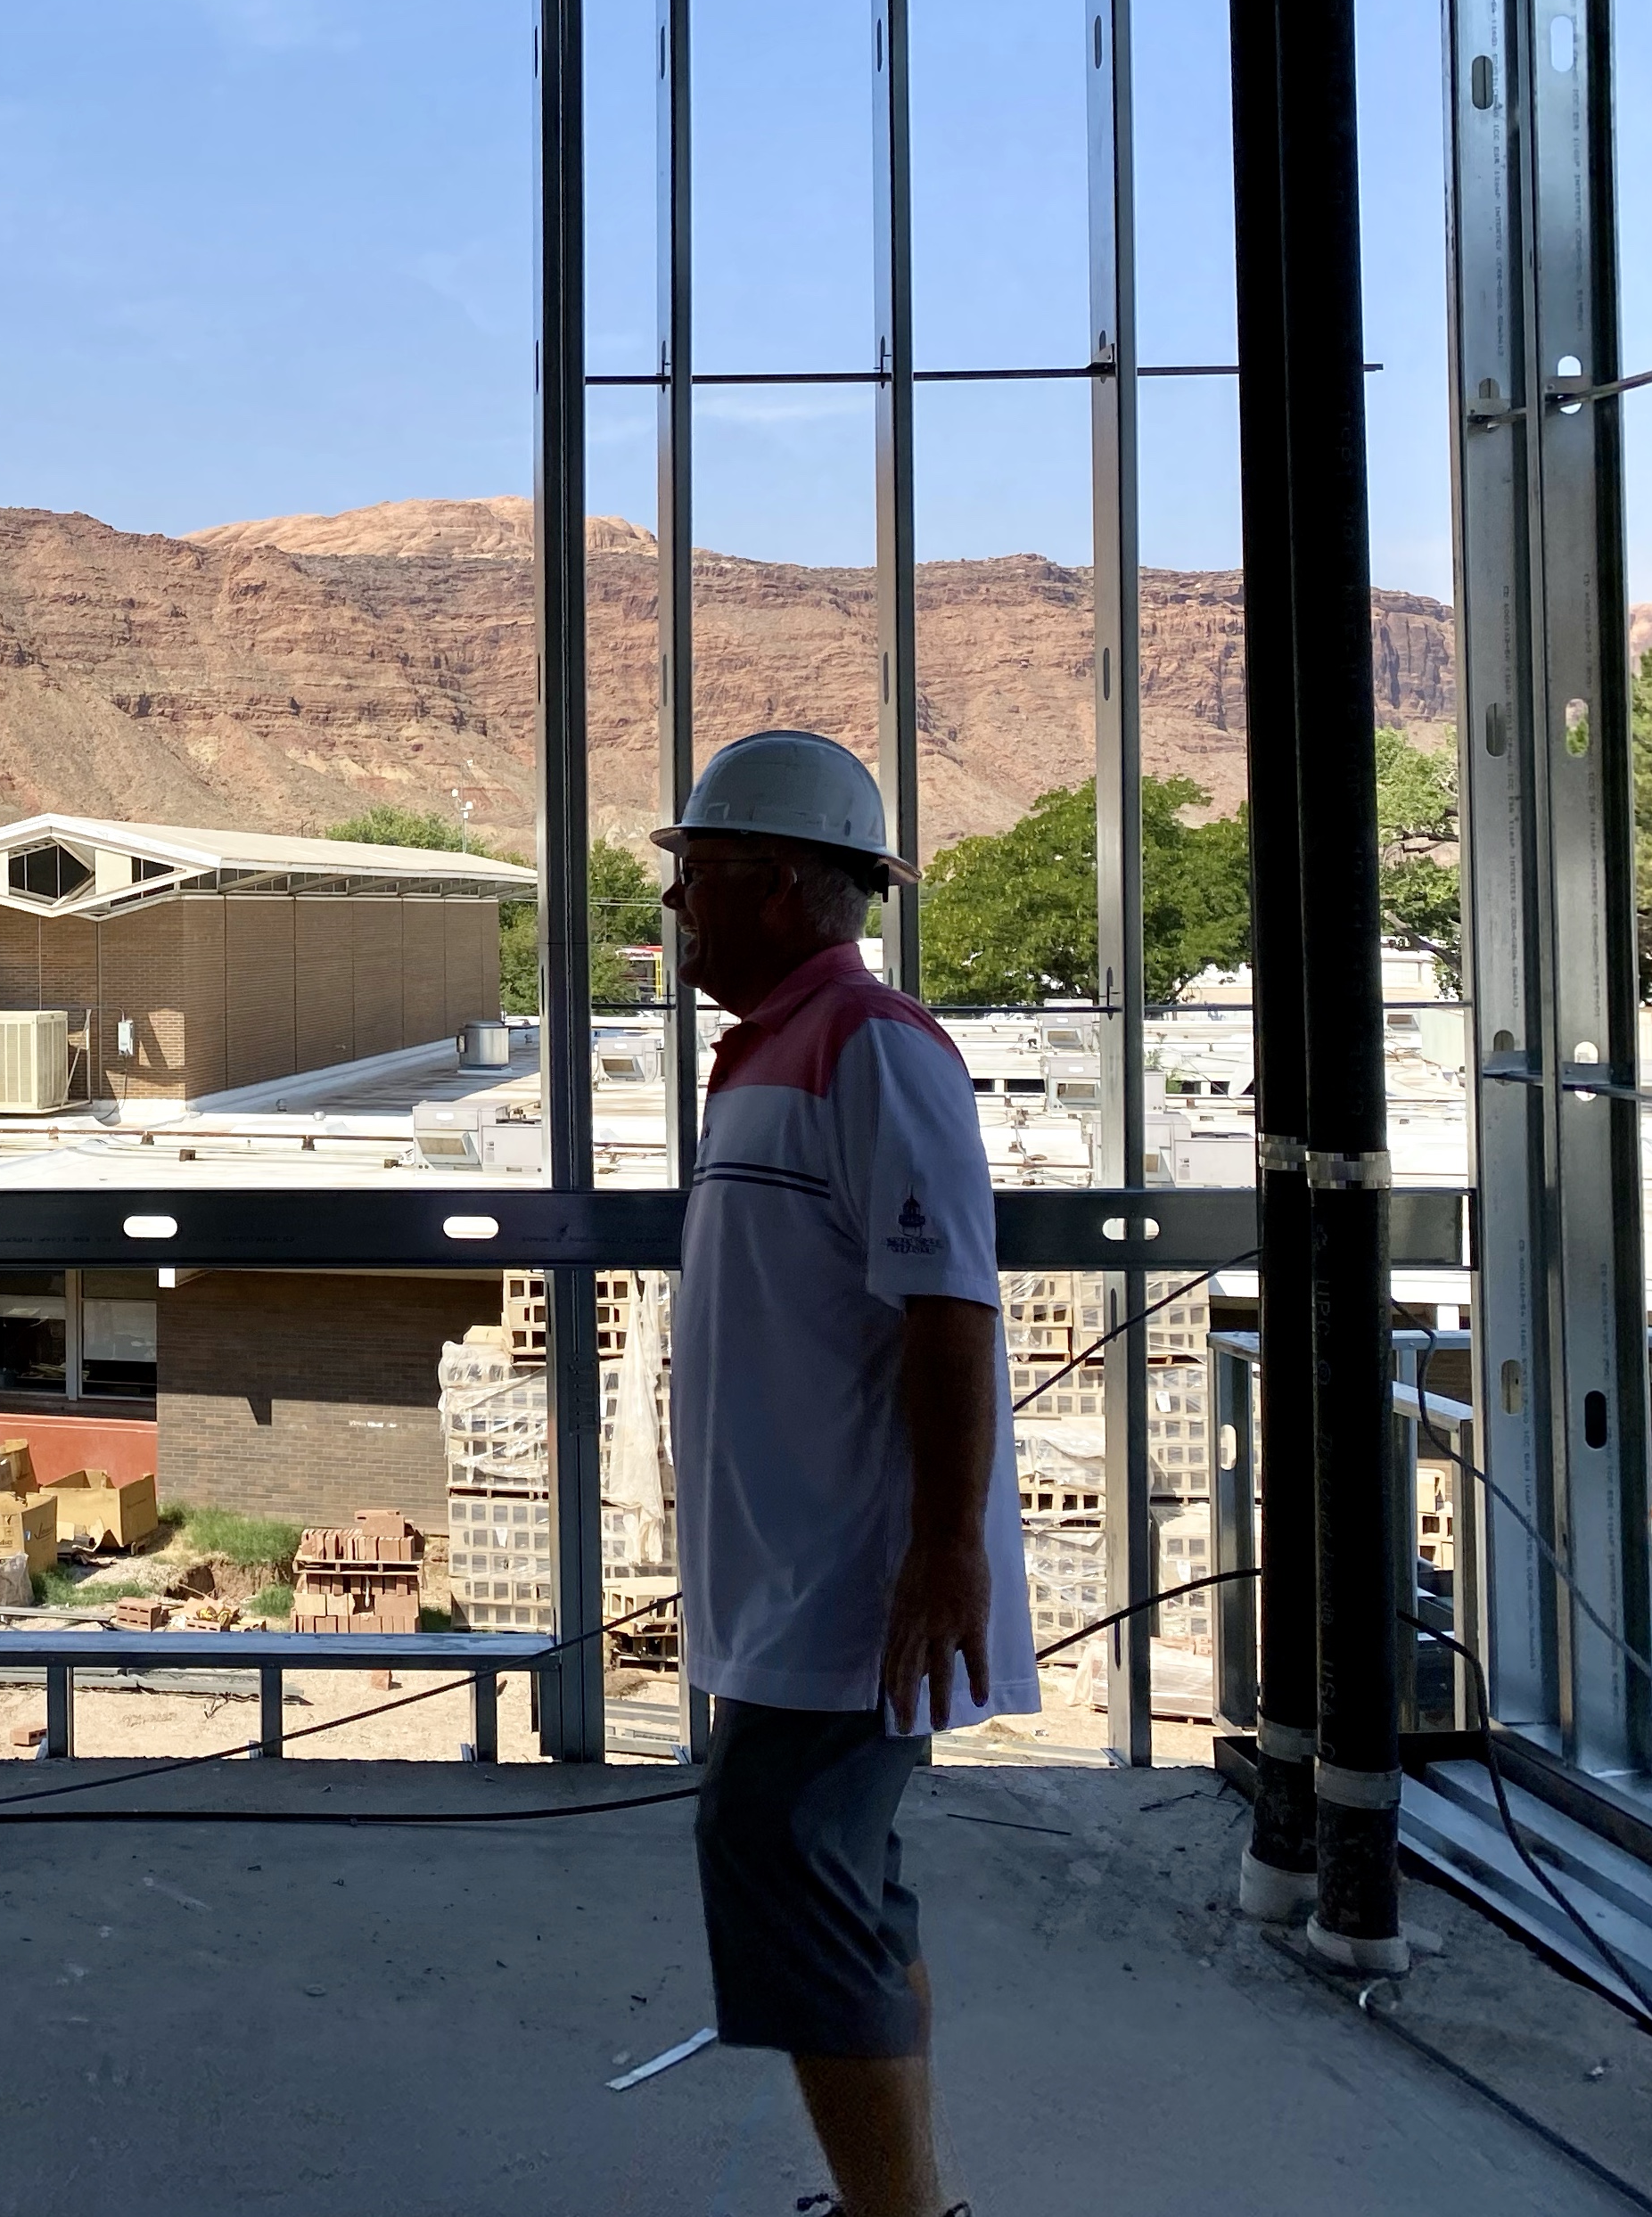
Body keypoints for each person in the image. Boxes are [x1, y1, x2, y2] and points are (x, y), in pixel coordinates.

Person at [656, 728, 1031, 2217]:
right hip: (792, 1579)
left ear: (787, 887)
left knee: (787, 1870)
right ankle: (907, 2198)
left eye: (700, 876)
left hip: (848, 1587)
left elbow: (950, 1309)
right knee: (843, 1885)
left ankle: (901, 2215)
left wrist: (946, 1549)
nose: (679, 905)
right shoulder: (768, 1056)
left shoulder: (875, 1048)